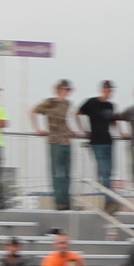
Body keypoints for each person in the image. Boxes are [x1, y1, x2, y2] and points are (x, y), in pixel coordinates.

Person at [33, 80, 75, 210]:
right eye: (65, 89)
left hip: (66, 141)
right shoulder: (50, 102)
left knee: (67, 173)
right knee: (57, 173)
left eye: (68, 90)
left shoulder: (67, 103)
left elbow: (65, 121)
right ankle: (59, 201)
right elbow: (33, 111)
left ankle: (66, 200)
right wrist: (37, 129)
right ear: (59, 89)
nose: (67, 92)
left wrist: (70, 131)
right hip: (54, 141)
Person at [78, 81, 121, 210]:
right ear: (102, 90)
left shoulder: (110, 105)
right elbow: (77, 114)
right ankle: (109, 200)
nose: (109, 93)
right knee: (104, 172)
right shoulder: (91, 103)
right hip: (97, 142)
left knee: (109, 172)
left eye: (110, 90)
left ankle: (108, 199)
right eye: (107, 90)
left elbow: (113, 121)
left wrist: (121, 133)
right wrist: (84, 130)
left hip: (108, 141)